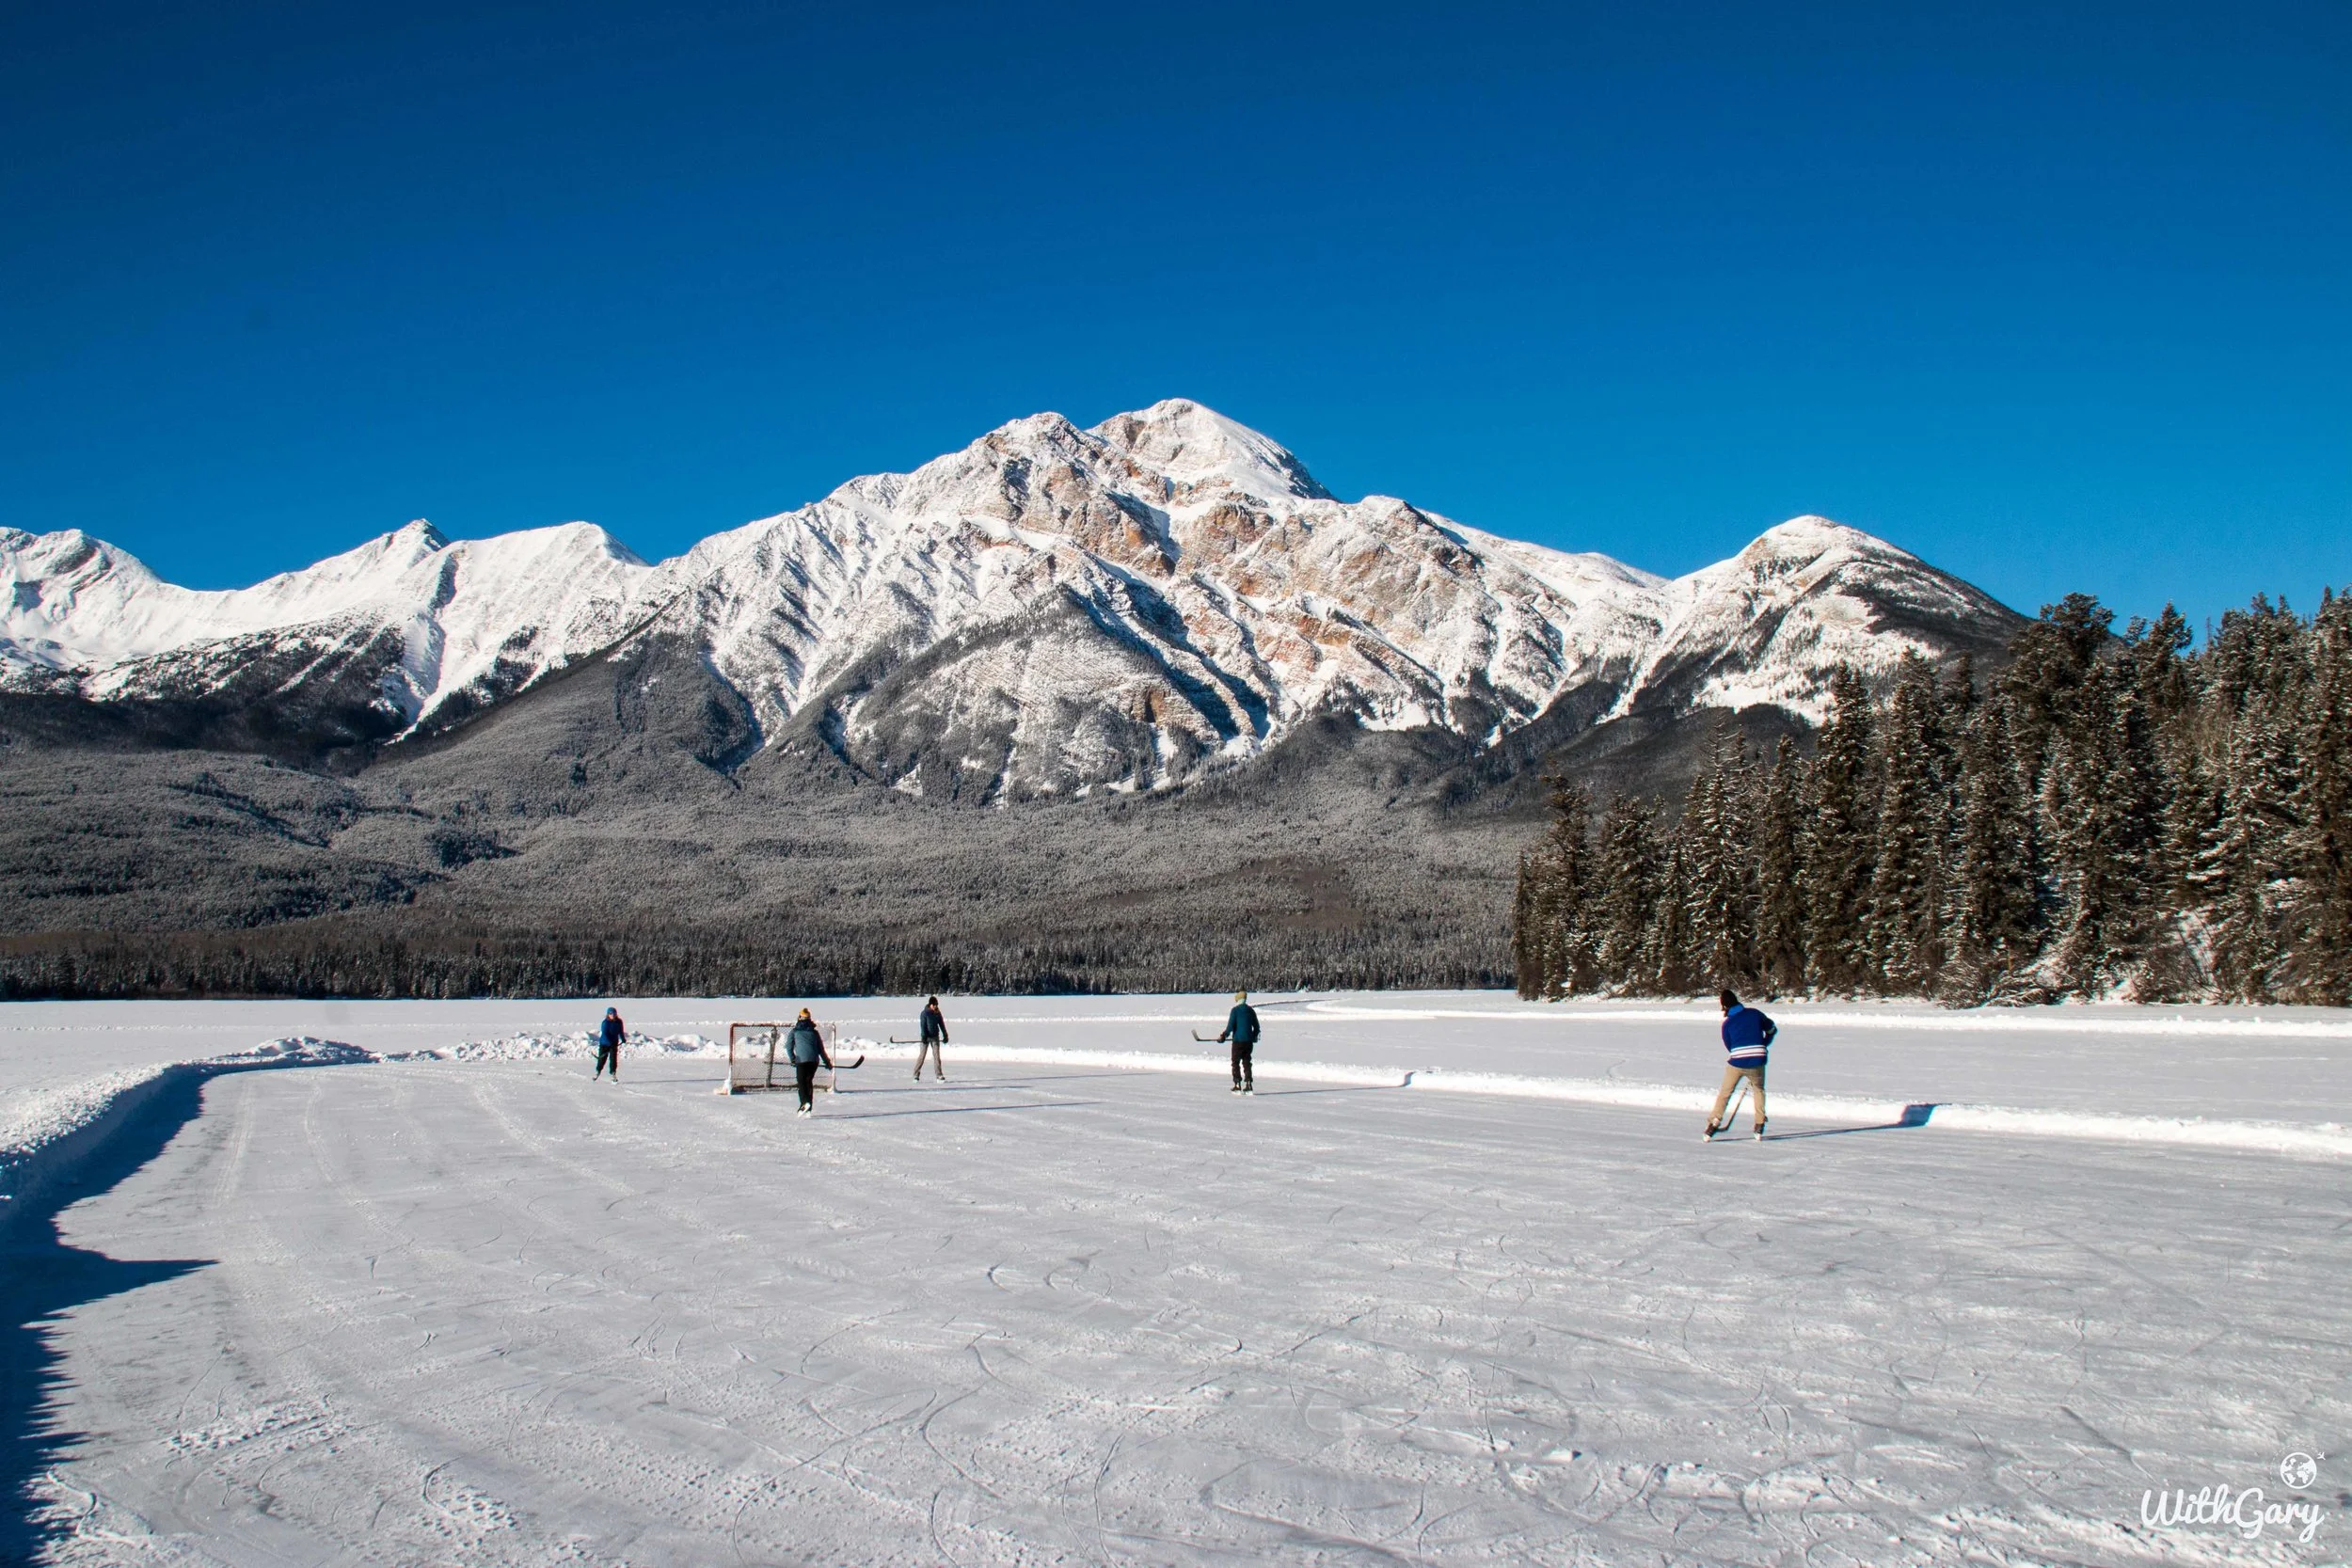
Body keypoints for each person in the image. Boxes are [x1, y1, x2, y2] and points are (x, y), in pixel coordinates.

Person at [1705, 988, 1776, 1140]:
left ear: (1725, 1007)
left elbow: (1730, 1046)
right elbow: (1772, 1029)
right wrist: (1762, 1044)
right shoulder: (1755, 1013)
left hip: (1737, 1061)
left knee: (1725, 1092)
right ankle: (1759, 1123)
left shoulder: (1727, 1024)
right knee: (1758, 1089)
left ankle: (1714, 1121)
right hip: (1758, 1059)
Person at [785, 1008, 834, 1117]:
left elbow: (788, 1046)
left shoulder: (795, 1032)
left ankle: (804, 1103)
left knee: (802, 1083)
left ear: (799, 1018)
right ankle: (809, 1108)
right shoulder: (814, 1032)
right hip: (813, 1061)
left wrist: (793, 1059)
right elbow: (821, 1049)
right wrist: (827, 1062)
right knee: (808, 1082)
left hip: (801, 1061)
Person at [1216, 990, 1261, 1094]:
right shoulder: (1251, 1011)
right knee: (1247, 1062)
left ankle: (1237, 1084)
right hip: (1248, 1042)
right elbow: (1257, 1027)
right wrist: (1254, 1036)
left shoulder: (1235, 1011)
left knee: (1235, 1063)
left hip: (1238, 1042)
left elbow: (1230, 1027)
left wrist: (1223, 1036)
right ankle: (1248, 1084)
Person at [915, 996, 949, 1082]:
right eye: (934, 1005)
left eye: (936, 1005)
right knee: (922, 1056)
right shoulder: (924, 1013)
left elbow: (941, 1024)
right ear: (930, 1005)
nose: (935, 1006)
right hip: (926, 1037)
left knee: (937, 1056)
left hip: (935, 1037)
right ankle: (916, 1074)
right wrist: (924, 1036)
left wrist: (945, 1035)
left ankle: (939, 1075)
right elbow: (923, 1026)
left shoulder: (937, 1013)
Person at [594, 1006, 625, 1081]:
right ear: (608, 1014)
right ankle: (598, 1071)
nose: (612, 1015)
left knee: (613, 1059)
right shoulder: (605, 1023)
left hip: (614, 1043)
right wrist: (609, 1043)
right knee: (602, 1059)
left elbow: (620, 1031)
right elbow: (605, 1034)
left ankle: (613, 1073)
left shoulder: (619, 1022)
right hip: (604, 1043)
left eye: (614, 1013)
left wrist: (623, 1038)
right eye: (611, 1014)